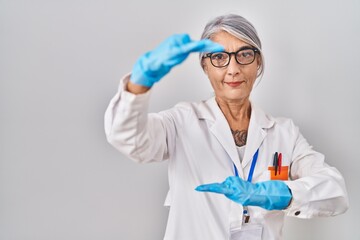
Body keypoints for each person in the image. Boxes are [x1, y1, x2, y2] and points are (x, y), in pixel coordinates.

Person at [104, 14, 349, 240]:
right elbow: (130, 139)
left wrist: (281, 194)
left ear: (258, 63)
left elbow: (335, 191)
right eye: (219, 57)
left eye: (244, 54)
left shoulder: (284, 132)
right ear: (205, 66)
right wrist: (139, 84)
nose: (233, 69)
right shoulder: (181, 122)